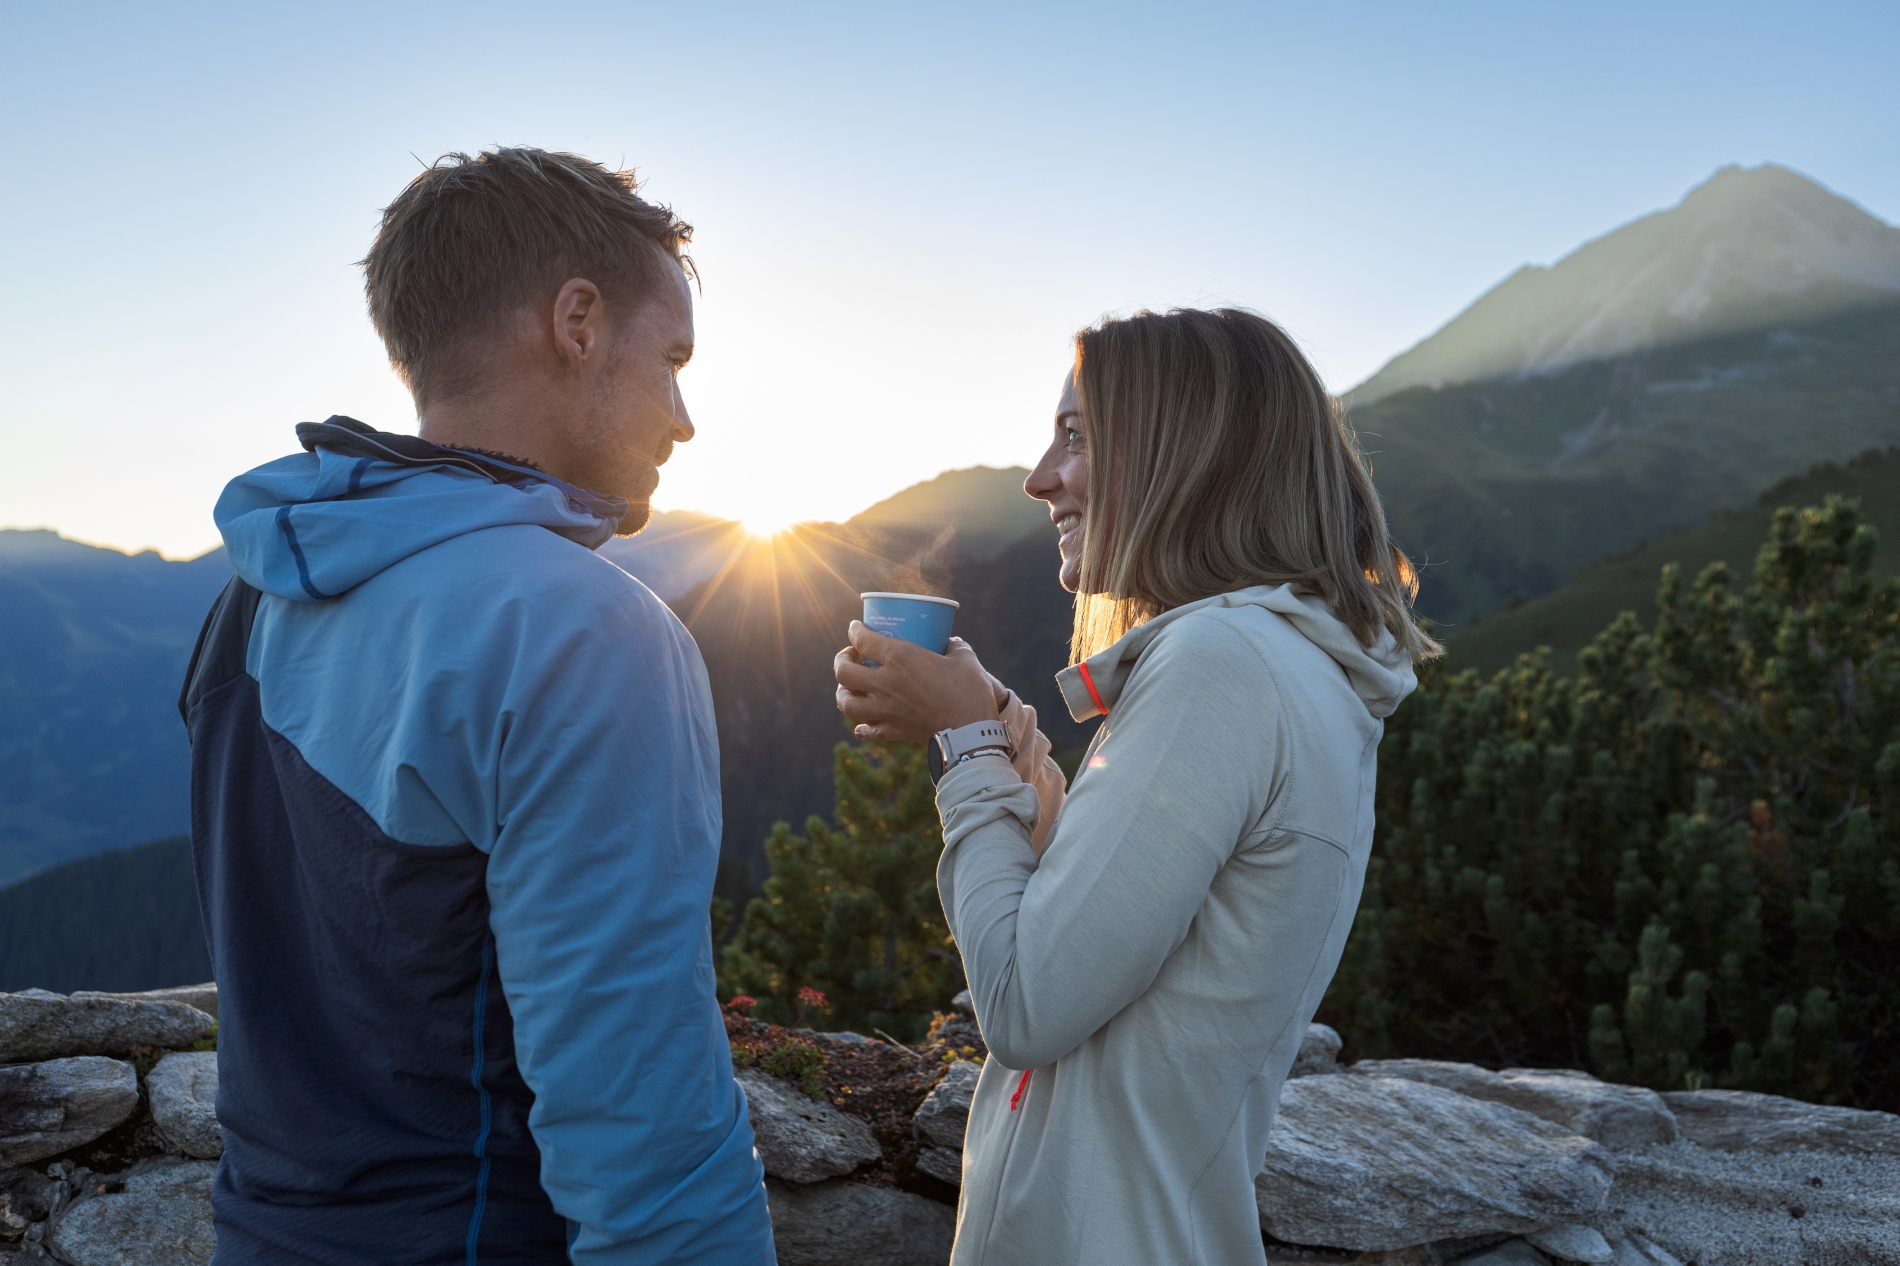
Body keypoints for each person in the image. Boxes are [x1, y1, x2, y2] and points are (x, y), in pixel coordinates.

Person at [179, 148, 775, 1264]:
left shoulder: (250, 595)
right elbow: (637, 1114)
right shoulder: (580, 630)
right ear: (578, 321)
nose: (684, 414)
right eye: (674, 356)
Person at [834, 307, 1437, 1266]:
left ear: (1183, 452)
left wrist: (965, 743)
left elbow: (1028, 1002)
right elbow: (1130, 942)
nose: (1039, 478)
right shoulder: (1280, 665)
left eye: (1076, 437)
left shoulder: (1219, 664)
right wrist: (1010, 741)